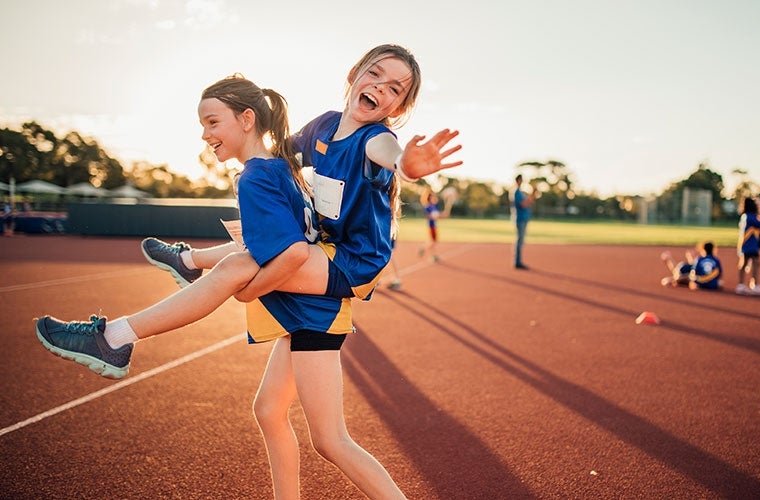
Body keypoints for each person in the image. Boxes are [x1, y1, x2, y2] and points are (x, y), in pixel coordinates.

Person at [40, 49, 461, 497]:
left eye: (395, 88)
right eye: (375, 74)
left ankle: (117, 337)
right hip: (324, 252)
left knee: (241, 270)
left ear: (398, 107)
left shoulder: (374, 140)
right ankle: (184, 267)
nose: (380, 87)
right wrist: (249, 145)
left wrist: (411, 165)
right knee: (271, 411)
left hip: (350, 261)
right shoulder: (322, 125)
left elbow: (393, 156)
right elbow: (280, 153)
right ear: (354, 75)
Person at [735, 196, 760, 296]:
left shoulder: (744, 216)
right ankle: (755, 285)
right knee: (756, 263)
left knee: (744, 263)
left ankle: (741, 285)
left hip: (744, 243)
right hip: (751, 244)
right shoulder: (752, 217)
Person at [510, 174, 536, 270]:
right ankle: (517, 262)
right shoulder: (516, 192)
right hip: (520, 219)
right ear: (518, 180)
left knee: (521, 241)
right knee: (519, 240)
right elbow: (523, 204)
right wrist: (531, 196)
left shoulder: (521, 192)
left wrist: (533, 194)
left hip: (524, 218)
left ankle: (518, 261)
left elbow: (530, 202)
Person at [418, 188, 441, 262]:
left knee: (433, 241)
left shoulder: (434, 206)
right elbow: (428, 216)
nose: (434, 198)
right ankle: (432, 256)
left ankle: (424, 249)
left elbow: (437, 216)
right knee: (433, 241)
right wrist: (434, 217)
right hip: (431, 226)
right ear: (429, 198)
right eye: (433, 197)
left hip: (434, 226)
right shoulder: (427, 207)